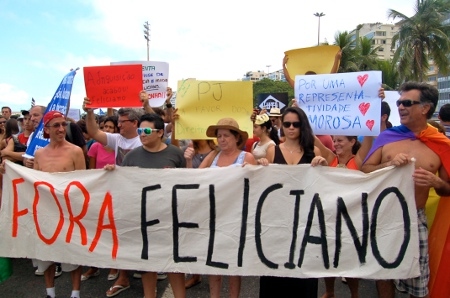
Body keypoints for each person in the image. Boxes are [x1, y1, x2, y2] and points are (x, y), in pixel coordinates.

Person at [361, 82, 450, 298]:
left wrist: (436, 182)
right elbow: (365, 169)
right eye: (400, 102)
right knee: (383, 273)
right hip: (384, 215)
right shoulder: (388, 137)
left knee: (417, 279)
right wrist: (387, 166)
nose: (400, 107)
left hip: (415, 217)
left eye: (407, 103)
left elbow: (447, 189)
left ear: (425, 108)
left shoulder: (441, 144)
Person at [105, 113, 186, 298]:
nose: (142, 134)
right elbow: (122, 184)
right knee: (146, 262)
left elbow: (186, 182)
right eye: (140, 130)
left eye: (147, 130)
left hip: (170, 218)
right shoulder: (131, 157)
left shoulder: (175, 153)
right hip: (142, 218)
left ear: (159, 133)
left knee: (173, 262)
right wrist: (111, 173)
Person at [185, 117, 256, 298]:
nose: (222, 139)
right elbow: (196, 179)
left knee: (233, 263)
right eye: (219, 136)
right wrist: (188, 161)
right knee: (213, 261)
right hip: (212, 216)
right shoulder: (213, 156)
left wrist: (256, 169)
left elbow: (256, 187)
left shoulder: (246, 157)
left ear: (236, 138)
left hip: (236, 218)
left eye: (226, 135)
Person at [256, 106, 323, 297]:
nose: (291, 127)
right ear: (281, 126)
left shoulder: (314, 151)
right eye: (287, 124)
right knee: (276, 274)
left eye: (296, 124)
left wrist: (322, 167)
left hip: (305, 223)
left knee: (303, 272)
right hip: (277, 222)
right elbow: (265, 185)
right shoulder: (272, 151)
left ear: (303, 126)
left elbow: (323, 183)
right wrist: (261, 168)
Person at [33, 110, 86, 298]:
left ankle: (75, 293)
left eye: (64, 124)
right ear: (47, 129)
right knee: (46, 254)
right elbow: (34, 182)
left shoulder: (75, 151)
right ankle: (50, 293)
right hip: (46, 213)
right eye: (56, 125)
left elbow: (83, 183)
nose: (61, 129)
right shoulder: (39, 154)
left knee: (72, 254)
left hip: (68, 212)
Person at [80, 115, 119, 282]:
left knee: (114, 229)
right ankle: (94, 266)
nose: (107, 130)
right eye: (105, 127)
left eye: (111, 128)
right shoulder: (95, 147)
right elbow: (91, 171)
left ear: (116, 131)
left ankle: (114, 265)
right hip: (99, 192)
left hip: (116, 192)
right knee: (96, 230)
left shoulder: (120, 146)